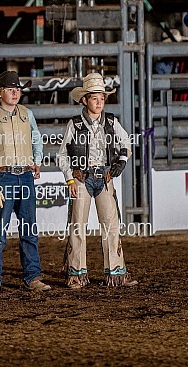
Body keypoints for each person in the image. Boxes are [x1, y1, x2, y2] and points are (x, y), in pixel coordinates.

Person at [57, 73, 138, 289]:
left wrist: (120, 162)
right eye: (95, 98)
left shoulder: (111, 122)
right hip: (81, 178)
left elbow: (126, 144)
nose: (99, 102)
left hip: (104, 176)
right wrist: (69, 180)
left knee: (111, 225)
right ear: (85, 100)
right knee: (78, 227)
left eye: (102, 98)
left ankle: (115, 273)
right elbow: (63, 155)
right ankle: (76, 273)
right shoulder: (74, 124)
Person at [0, 70, 51, 294]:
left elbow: (36, 138)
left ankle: (32, 276)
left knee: (29, 228)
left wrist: (37, 160)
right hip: (3, 175)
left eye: (18, 89)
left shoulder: (26, 114)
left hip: (24, 174)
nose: (15, 92)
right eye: (11, 89)